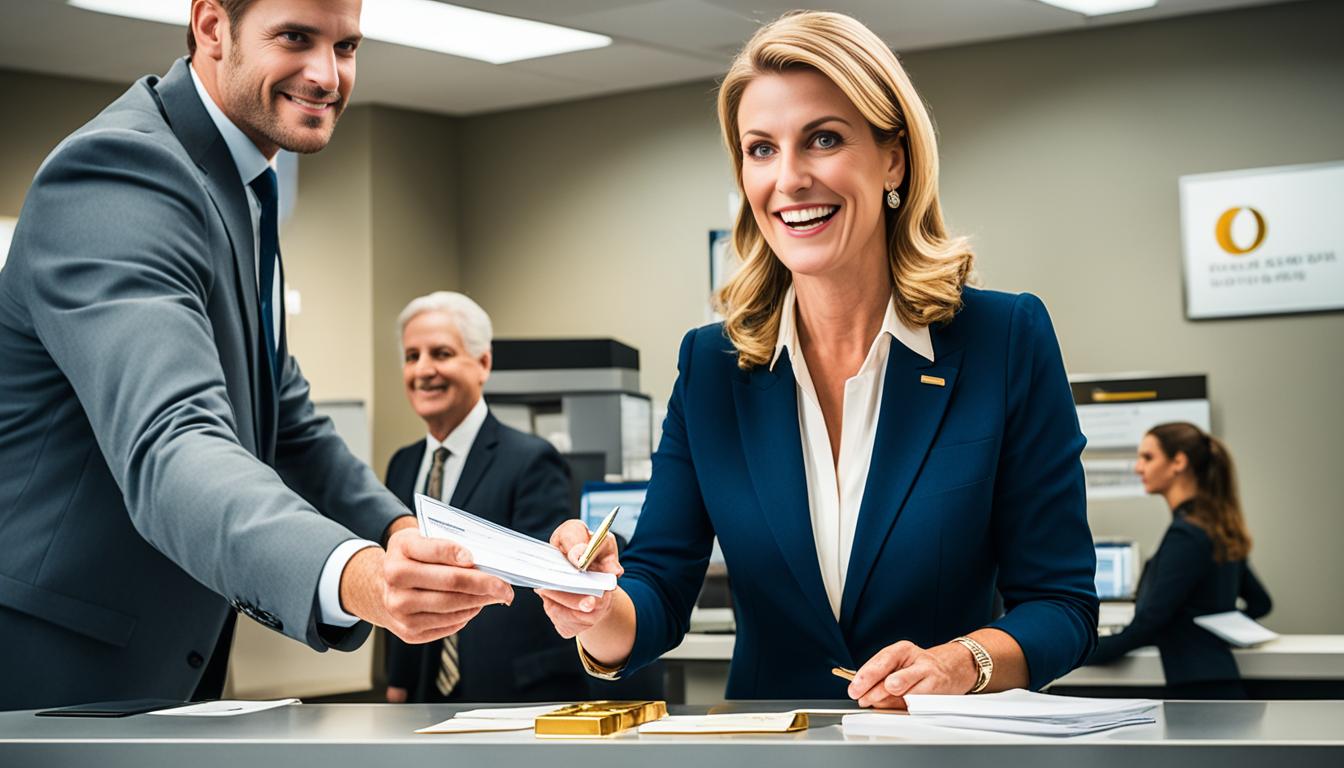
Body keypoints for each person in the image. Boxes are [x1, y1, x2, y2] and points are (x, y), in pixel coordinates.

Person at [538, 10, 1098, 706]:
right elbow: (657, 589)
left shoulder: (1003, 339)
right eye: (761, 149)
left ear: (893, 155)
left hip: (941, 753)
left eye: (824, 139)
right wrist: (594, 607)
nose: (791, 178)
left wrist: (963, 662)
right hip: (776, 750)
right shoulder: (712, 365)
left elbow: (1063, 603)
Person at [0, 0, 511, 711]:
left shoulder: (240, 190)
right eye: (296, 38)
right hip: (51, 678)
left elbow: (288, 422)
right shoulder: (120, 174)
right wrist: (356, 576)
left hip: (167, 674)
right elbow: (172, 442)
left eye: (347, 45)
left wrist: (401, 533)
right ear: (212, 27)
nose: (327, 74)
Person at [382, 292, 588, 703]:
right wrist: (399, 681)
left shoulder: (532, 460)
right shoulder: (402, 466)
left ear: (483, 363)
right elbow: (401, 579)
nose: (423, 370)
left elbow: (542, 588)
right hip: (426, 700)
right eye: (411, 356)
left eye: (440, 353)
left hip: (511, 696)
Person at [1088, 423, 1271, 699]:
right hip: (1217, 685)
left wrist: (1079, 652)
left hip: (1197, 692)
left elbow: (1148, 623)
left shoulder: (1186, 535)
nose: (1139, 468)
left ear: (1178, 462)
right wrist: (1212, 626)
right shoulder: (1217, 528)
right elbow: (1260, 603)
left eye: (1148, 458)